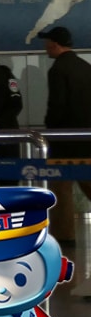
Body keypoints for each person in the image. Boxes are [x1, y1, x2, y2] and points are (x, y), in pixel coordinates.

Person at [41, 26, 91, 244]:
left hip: (64, 139)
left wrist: (50, 129)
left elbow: (57, 105)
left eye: (47, 43)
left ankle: (64, 236)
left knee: (61, 187)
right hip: (86, 137)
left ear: (54, 44)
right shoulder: (85, 66)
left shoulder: (58, 69)